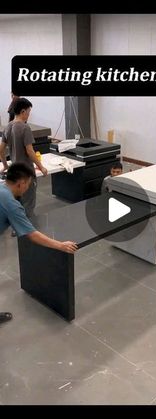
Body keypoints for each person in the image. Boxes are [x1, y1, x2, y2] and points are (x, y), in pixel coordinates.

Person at [0, 162, 78, 324]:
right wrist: (61, 245)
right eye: (29, 184)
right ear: (21, 183)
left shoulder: (2, 188)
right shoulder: (11, 204)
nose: (28, 188)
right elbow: (32, 235)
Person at [0, 97, 47, 225]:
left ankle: (16, 227)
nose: (28, 115)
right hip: (26, 173)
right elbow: (30, 151)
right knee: (29, 203)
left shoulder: (7, 127)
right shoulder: (25, 128)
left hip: (14, 172)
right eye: (28, 112)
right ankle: (28, 232)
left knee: (17, 201)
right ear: (22, 111)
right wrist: (41, 167)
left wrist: (5, 165)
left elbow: (1, 150)